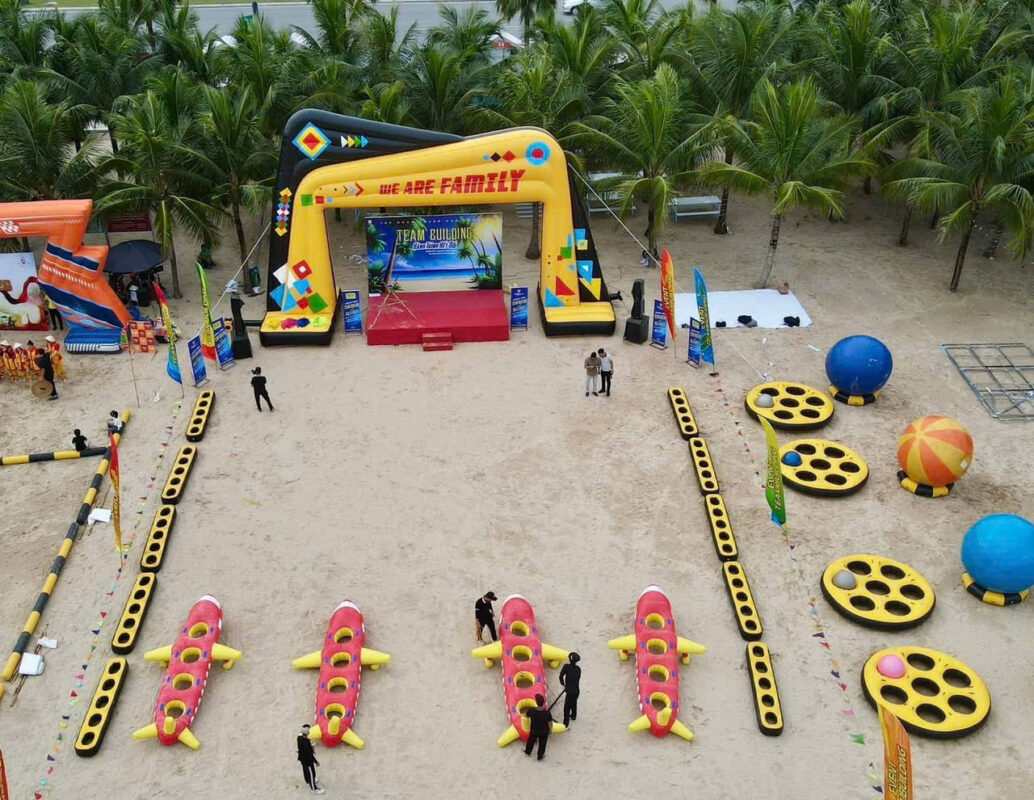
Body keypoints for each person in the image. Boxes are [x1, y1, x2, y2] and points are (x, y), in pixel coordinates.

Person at [524, 694, 554, 761]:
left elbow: (526, 715)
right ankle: (540, 756)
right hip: (544, 731)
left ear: (536, 702)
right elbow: (550, 723)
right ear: (543, 703)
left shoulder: (532, 711)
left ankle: (528, 752)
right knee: (542, 744)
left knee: (531, 741)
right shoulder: (547, 713)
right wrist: (551, 730)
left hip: (534, 730)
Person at [296, 724, 324, 794]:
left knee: (305, 770)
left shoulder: (299, 738)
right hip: (308, 761)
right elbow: (310, 755)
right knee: (312, 773)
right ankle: (314, 789)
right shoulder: (306, 743)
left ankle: (308, 780)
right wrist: (316, 762)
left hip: (302, 759)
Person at [559, 652, 581, 726]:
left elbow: (561, 676)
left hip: (569, 691)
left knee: (567, 708)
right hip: (576, 690)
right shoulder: (578, 669)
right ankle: (573, 716)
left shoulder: (566, 667)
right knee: (574, 702)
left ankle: (565, 724)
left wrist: (563, 684)